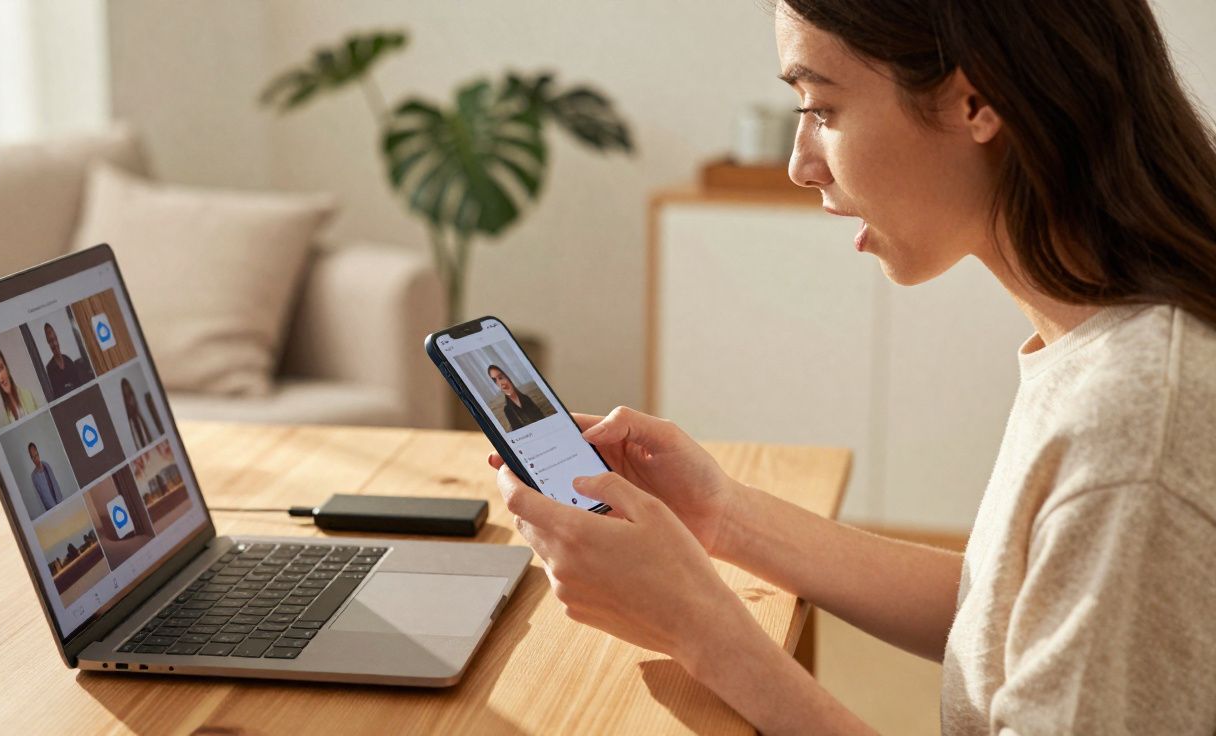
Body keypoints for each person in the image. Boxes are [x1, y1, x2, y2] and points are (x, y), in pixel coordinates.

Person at [491, 1, 1216, 733]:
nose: (800, 165)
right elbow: (1011, 616)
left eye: (823, 108)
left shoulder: (1136, 420)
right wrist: (723, 515)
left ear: (977, 100)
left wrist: (700, 631)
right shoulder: (1106, 350)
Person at [0, 344, 38, 426]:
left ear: (6, 368)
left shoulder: (28, 395)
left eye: (1, 368)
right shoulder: (3, 415)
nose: (1, 378)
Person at [488, 364, 545, 431]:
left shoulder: (526, 398)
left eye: (500, 377)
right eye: (495, 380)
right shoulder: (507, 410)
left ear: (507, 377)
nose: (500, 383)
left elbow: (541, 418)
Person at [42, 323, 88, 399]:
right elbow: (57, 396)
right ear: (48, 343)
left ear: (57, 338)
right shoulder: (49, 368)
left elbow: (79, 385)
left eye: (55, 339)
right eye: (50, 341)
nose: (54, 344)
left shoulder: (68, 360)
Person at [27, 442, 63, 514]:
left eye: (36, 455)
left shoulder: (46, 465)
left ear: (38, 453)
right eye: (33, 457)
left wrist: (61, 499)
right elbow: (39, 497)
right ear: (31, 458)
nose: (36, 459)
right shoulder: (34, 477)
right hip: (50, 510)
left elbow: (55, 482)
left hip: (60, 502)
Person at [120, 378, 153, 449]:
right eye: (127, 397)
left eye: (130, 394)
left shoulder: (140, 416)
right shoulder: (131, 423)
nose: (130, 399)